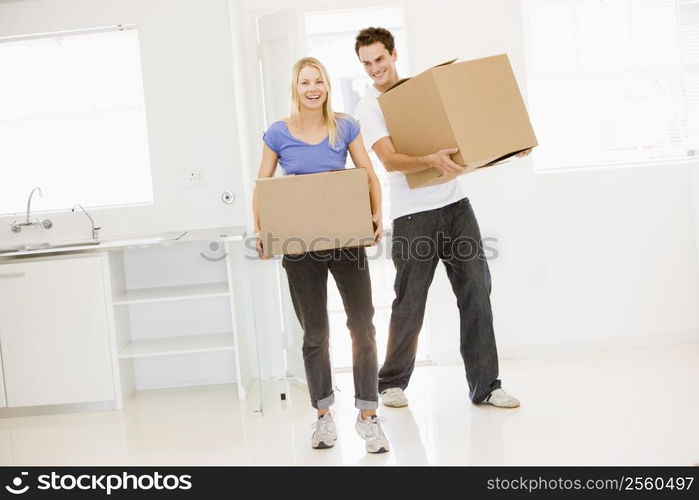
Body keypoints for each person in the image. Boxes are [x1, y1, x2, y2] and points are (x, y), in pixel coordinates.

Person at [354, 27, 530, 409]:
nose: (374, 69)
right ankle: (391, 383)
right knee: (410, 300)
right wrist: (428, 161)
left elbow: (467, 131)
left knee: (476, 291)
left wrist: (508, 145)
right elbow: (388, 160)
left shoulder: (420, 93)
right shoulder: (369, 108)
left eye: (380, 59)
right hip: (413, 213)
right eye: (367, 63)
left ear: (394, 54)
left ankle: (486, 386)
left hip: (456, 205)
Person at [252, 57, 389, 453]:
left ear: (327, 87)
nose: (313, 89)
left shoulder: (344, 125)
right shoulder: (278, 133)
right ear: (295, 89)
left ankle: (368, 416)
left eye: (319, 82)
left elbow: (367, 172)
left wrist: (377, 213)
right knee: (316, 334)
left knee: (362, 325)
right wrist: (262, 232)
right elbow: (262, 187)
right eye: (305, 83)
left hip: (345, 240)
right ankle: (324, 417)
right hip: (299, 248)